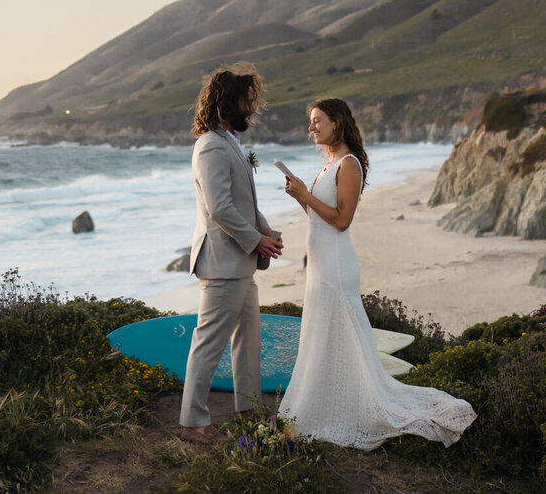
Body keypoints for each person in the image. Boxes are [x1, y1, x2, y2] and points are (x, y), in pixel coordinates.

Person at [279, 98, 476, 450]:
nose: (311, 127)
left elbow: (341, 220)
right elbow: (317, 215)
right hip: (320, 264)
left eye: (317, 120)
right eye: (311, 121)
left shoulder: (348, 164)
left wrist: (306, 194)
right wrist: (301, 196)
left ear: (337, 122)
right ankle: (326, 399)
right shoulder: (327, 165)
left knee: (342, 333)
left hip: (337, 265)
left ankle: (350, 405)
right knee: (323, 333)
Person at [179, 64, 284, 444]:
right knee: (208, 342)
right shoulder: (209, 146)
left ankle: (249, 408)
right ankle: (192, 421)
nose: (252, 107)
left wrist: (266, 231)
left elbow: (245, 202)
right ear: (229, 103)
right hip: (223, 263)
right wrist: (256, 241)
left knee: (248, 338)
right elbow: (220, 207)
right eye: (248, 100)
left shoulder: (230, 143)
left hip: (239, 263)